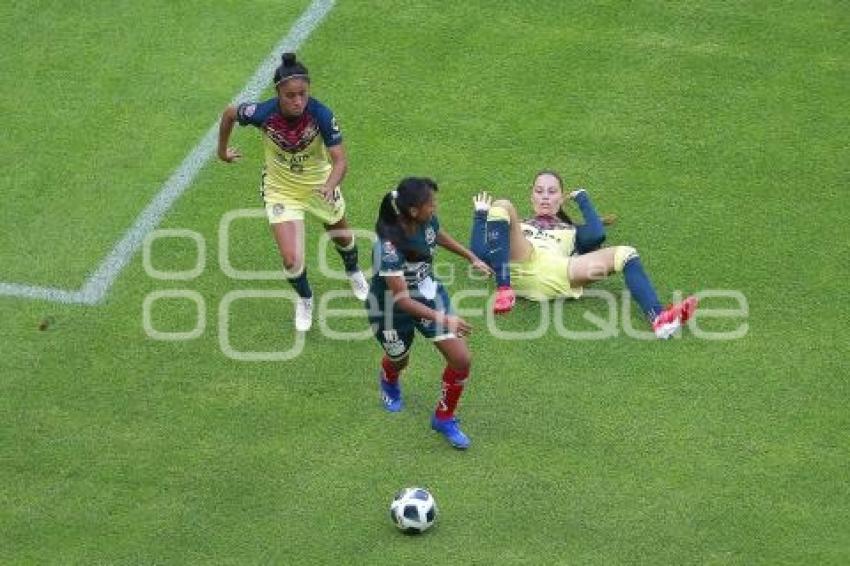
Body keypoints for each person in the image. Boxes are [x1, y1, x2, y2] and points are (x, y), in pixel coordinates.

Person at [217, 52, 368, 332]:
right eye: (290, 96)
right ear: (278, 93)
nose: (298, 101)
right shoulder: (262, 113)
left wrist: (330, 186)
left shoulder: (321, 114)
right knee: (290, 258)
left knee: (342, 236)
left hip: (319, 186)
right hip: (280, 190)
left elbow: (340, 160)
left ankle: (353, 270)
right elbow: (229, 114)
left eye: (302, 94)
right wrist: (221, 151)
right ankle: (305, 299)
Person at [469, 170, 697, 339]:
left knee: (626, 253)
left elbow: (597, 235)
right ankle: (504, 288)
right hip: (520, 265)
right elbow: (481, 253)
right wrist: (481, 216)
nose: (545, 197)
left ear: (561, 198)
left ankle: (659, 320)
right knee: (502, 205)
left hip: (558, 271)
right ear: (531, 197)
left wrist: (583, 199)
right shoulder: (515, 227)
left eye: (552, 191)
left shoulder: (572, 230)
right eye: (539, 191)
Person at [366, 177, 493, 449]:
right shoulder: (388, 249)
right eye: (430, 203)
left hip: (427, 293)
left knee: (461, 358)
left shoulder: (425, 221)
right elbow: (401, 299)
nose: (435, 207)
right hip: (390, 310)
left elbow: (437, 234)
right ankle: (389, 378)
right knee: (399, 359)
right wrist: (445, 319)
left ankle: (444, 417)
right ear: (413, 211)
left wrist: (471, 256)